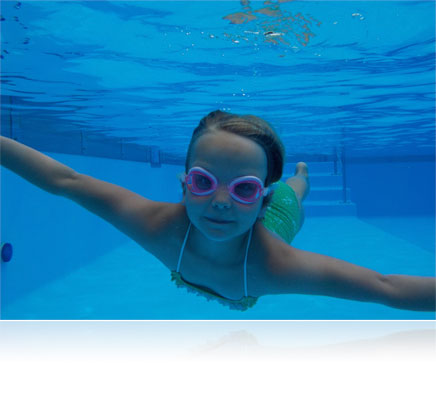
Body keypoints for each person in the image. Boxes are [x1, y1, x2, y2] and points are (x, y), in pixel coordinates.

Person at [1, 110, 435, 311]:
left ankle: (299, 175)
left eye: (244, 188)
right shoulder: (155, 225)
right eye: (204, 182)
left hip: (277, 218)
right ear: (184, 185)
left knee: (295, 194)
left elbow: (386, 286)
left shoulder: (276, 264)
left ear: (258, 196)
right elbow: (66, 181)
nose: (221, 202)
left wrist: (277, 193)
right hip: (258, 213)